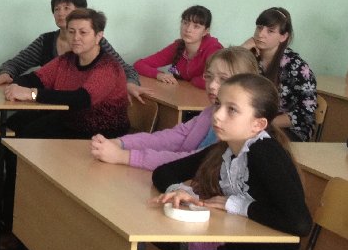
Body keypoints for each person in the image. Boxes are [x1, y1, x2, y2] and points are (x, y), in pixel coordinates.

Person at [152, 74, 312, 250]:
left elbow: (300, 223)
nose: (217, 115)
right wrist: (181, 192)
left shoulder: (265, 153)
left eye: (232, 110)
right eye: (218, 104)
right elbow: (164, 172)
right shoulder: (227, 148)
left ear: (258, 124)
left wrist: (238, 205)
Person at [0, 9, 129, 230]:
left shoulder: (108, 67)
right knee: (12, 126)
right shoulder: (67, 60)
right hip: (71, 121)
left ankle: (17, 214)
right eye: (71, 31)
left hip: (99, 132)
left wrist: (31, 94)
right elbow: (37, 78)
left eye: (83, 32)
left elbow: (81, 99)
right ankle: (13, 210)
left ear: (99, 36)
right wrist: (16, 84)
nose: (76, 37)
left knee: (22, 141)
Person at [93, 46, 259, 170]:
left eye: (223, 79)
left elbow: (193, 162)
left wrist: (124, 156)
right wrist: (121, 143)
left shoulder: (240, 127)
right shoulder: (210, 112)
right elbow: (172, 138)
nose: (212, 85)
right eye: (209, 77)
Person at [0, 0, 146, 101]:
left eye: (66, 8)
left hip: (81, 108)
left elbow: (125, 70)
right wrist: (8, 74)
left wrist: (130, 84)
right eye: (56, 9)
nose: (60, 13)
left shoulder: (98, 44)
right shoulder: (47, 41)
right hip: (47, 104)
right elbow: (17, 64)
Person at [241, 7, 317, 141]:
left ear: (283, 36)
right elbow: (227, 82)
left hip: (287, 129)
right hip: (255, 124)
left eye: (270, 31)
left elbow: (306, 114)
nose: (261, 34)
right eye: (259, 28)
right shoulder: (251, 57)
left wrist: (262, 125)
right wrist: (242, 49)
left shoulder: (297, 67)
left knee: (249, 142)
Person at [134, 5, 223, 88]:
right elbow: (139, 65)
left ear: (205, 31)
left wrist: (192, 81)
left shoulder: (214, 50)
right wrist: (159, 75)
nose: (188, 29)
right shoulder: (178, 46)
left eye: (196, 26)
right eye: (185, 23)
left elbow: (215, 80)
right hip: (183, 95)